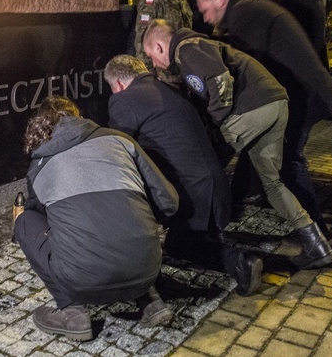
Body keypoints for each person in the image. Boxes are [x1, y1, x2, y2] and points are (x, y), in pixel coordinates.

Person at [142, 21, 332, 270]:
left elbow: (220, 81)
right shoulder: (200, 45)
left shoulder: (185, 48)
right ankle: (317, 244)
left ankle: (206, 232)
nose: (155, 65)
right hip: (276, 105)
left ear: (158, 46)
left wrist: (217, 121)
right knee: (272, 183)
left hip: (251, 109)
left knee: (206, 164)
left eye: (151, 57)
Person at [14, 96, 179, 341]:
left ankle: (71, 311)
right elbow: (169, 201)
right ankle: (151, 300)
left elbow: (40, 216)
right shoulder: (120, 140)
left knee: (25, 221)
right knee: (122, 217)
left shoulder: (39, 164)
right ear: (79, 117)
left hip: (83, 281)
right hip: (147, 269)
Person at [104, 55, 262, 296]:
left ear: (118, 84)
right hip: (215, 187)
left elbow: (117, 151)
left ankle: (240, 262)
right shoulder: (169, 90)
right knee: (187, 239)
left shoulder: (124, 100)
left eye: (112, 89)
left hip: (192, 194)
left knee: (179, 245)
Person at [196, 0, 332, 235]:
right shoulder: (248, 6)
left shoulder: (244, 13)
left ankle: (316, 232)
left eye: (206, 10)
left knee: (287, 163)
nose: (206, 18)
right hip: (301, 91)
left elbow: (243, 64)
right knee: (256, 146)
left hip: (302, 95)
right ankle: (233, 205)